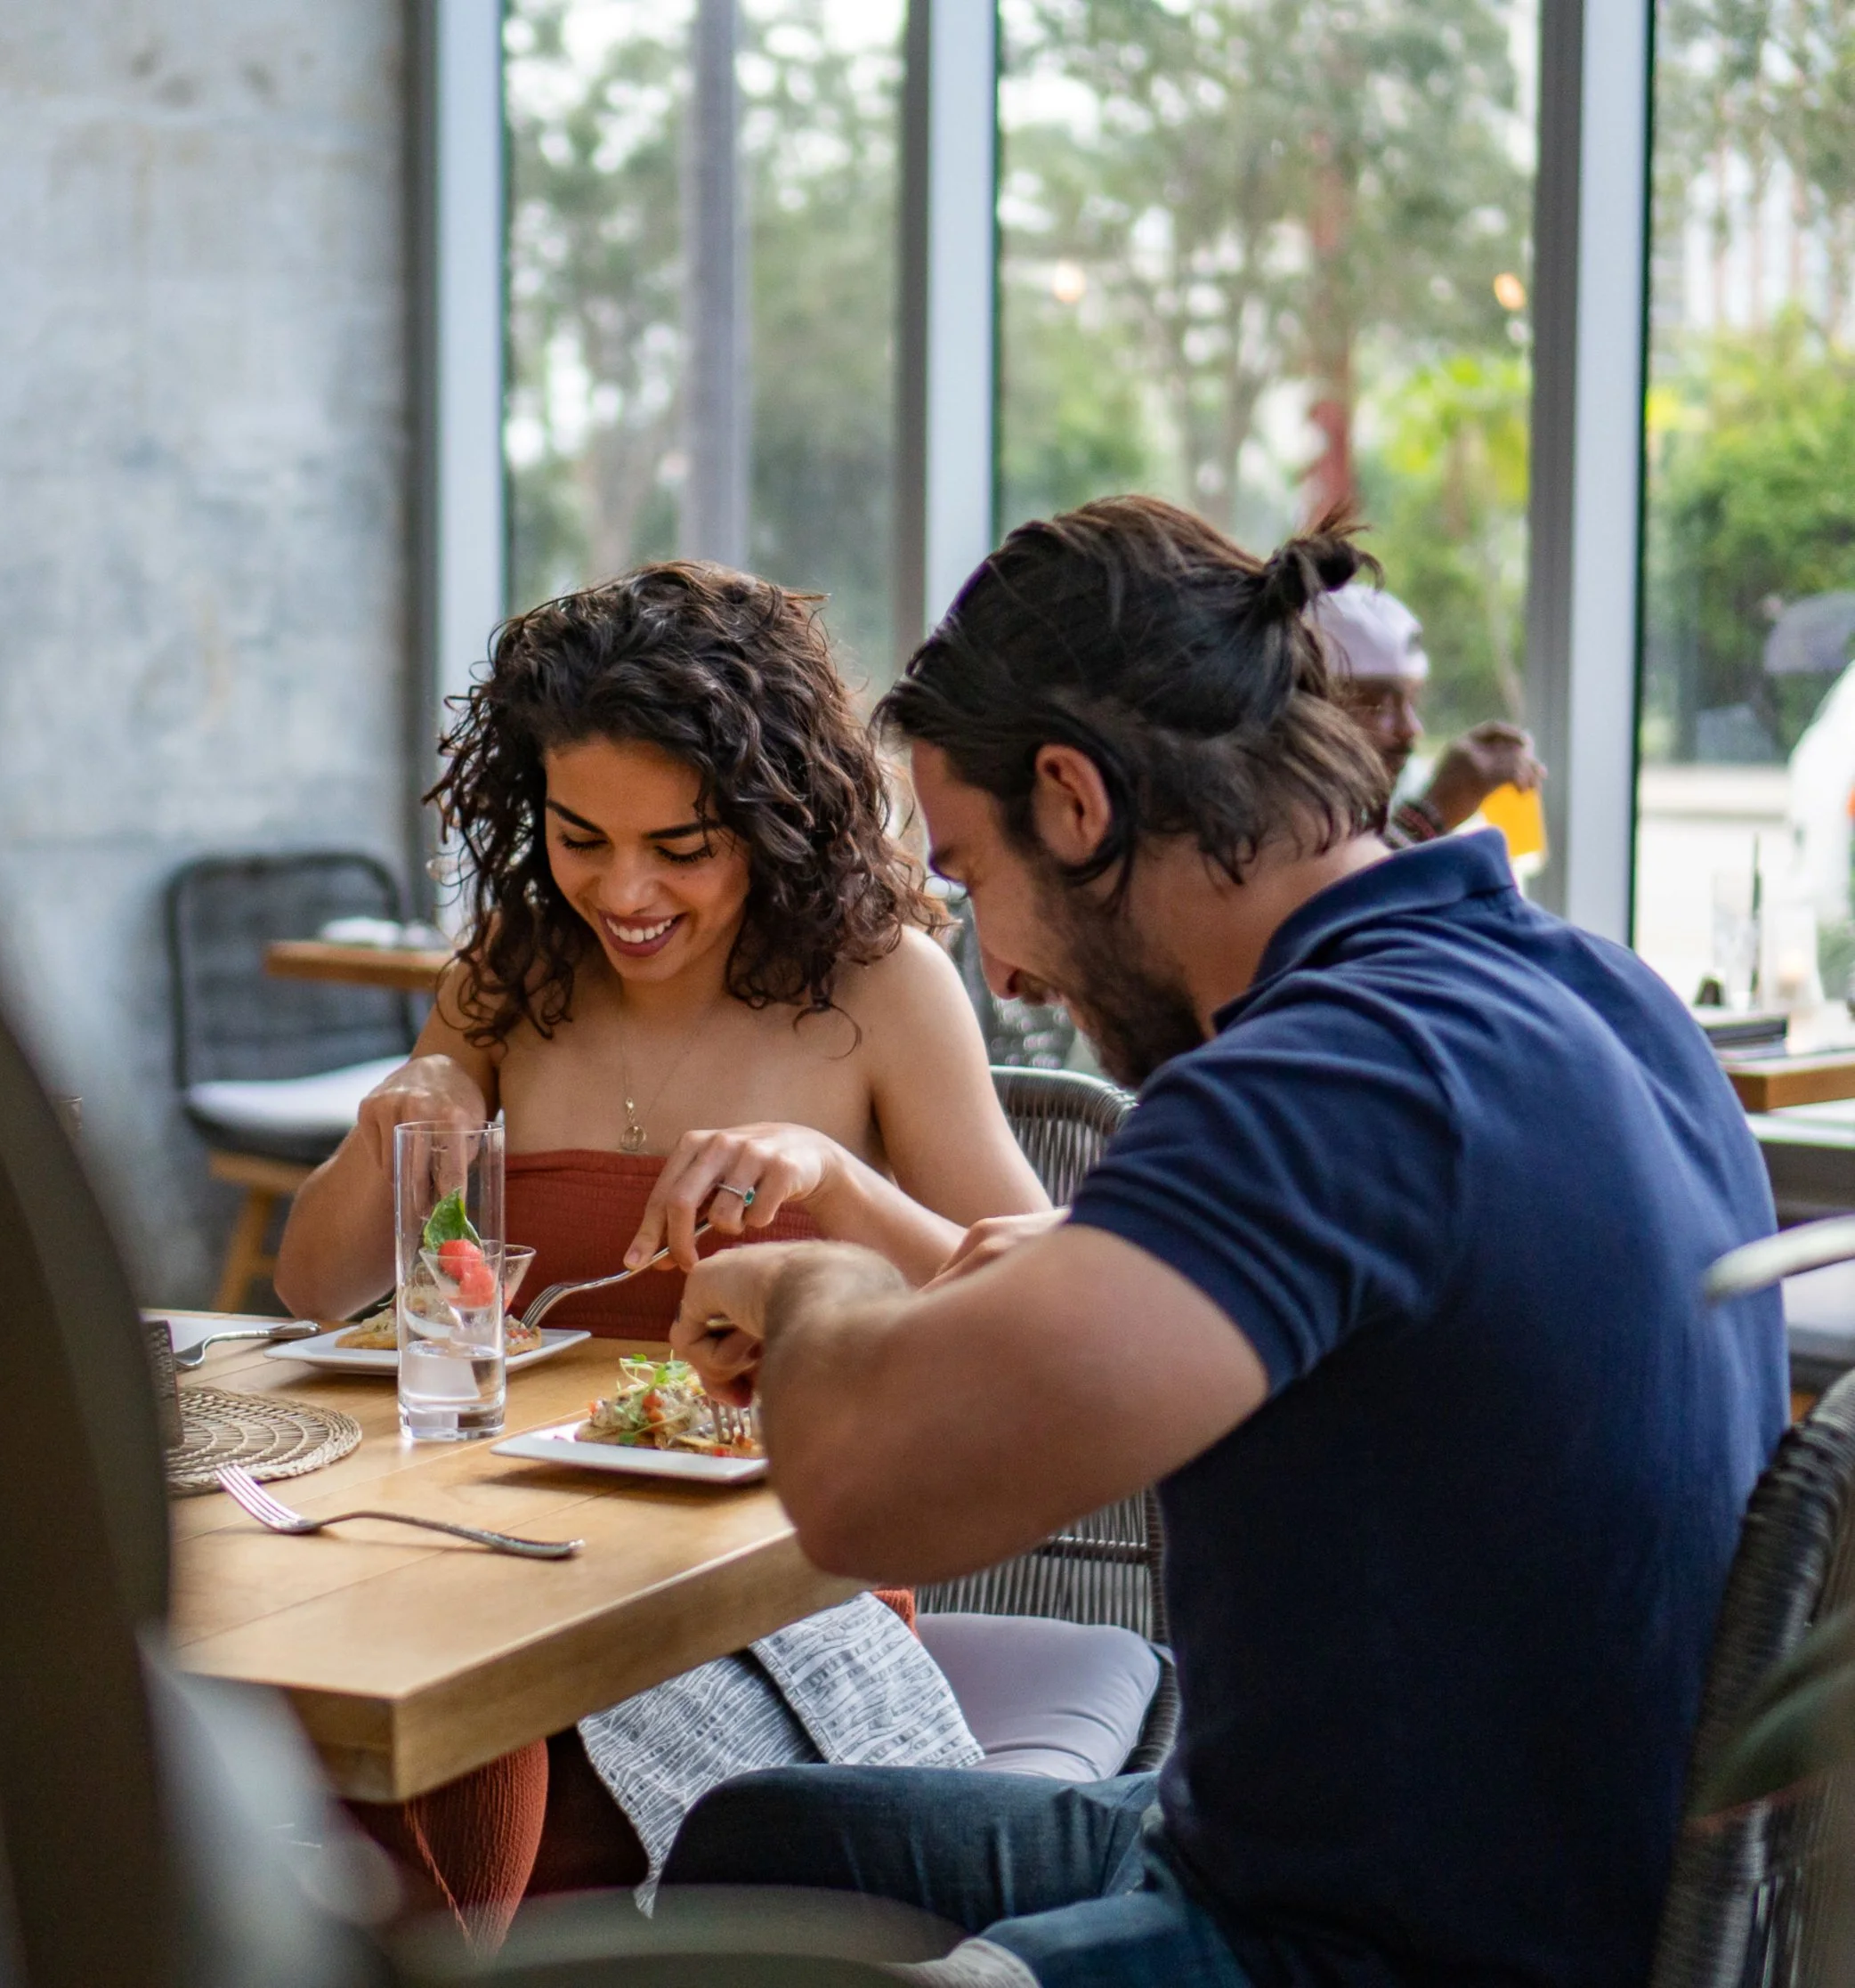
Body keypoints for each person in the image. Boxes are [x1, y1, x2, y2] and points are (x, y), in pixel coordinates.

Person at [658, 499, 1786, 1988]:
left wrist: (812, 1281)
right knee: (760, 1845)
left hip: (1381, 1945)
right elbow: (1169, 1307)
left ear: (1076, 800)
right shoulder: (1586, 986)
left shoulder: (1326, 1075)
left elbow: (874, 1490)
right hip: (1535, 1863)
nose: (992, 962)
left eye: (971, 876)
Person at [273, 560, 1048, 1936]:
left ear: (770, 816)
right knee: (320, 1736)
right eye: (583, 838)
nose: (624, 892)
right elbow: (311, 1288)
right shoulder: (508, 973)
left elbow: (1038, 1305)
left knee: (454, 1752)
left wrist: (837, 1187)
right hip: (497, 1548)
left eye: (682, 848)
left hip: (765, 1592)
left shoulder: (882, 987)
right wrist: (411, 1113)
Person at [1310, 582, 1543, 848]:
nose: (1411, 728)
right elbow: (1352, 887)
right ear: (1310, 709)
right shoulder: (1276, 813)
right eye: (1379, 706)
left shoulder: (1404, 782)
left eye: (1414, 703)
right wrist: (1431, 815)